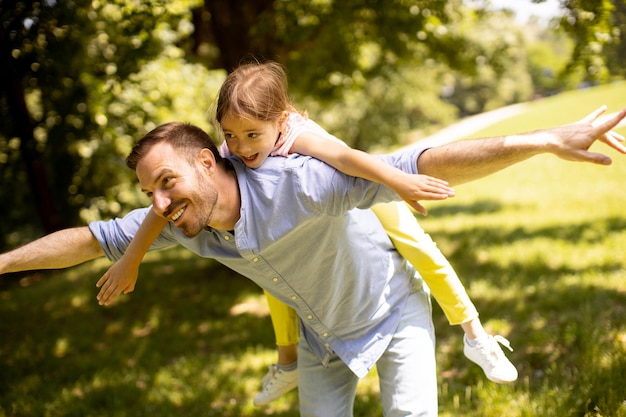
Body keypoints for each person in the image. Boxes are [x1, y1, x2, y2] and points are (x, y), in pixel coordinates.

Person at [1, 105, 624, 417]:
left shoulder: (301, 184)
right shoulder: (180, 222)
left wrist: (541, 141)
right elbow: (87, 239)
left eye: (167, 182)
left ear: (207, 162)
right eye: (149, 194)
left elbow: (418, 163)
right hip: (322, 339)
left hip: (391, 308)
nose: (160, 204)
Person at [94, 61, 517, 407]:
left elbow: (350, 159)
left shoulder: (300, 136)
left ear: (280, 123)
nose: (240, 147)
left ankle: (475, 334)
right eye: (231, 136)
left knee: (415, 246)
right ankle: (288, 361)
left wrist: (400, 182)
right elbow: (159, 205)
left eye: (252, 136)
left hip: (365, 183)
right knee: (269, 267)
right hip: (306, 218)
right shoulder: (231, 145)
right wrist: (130, 258)